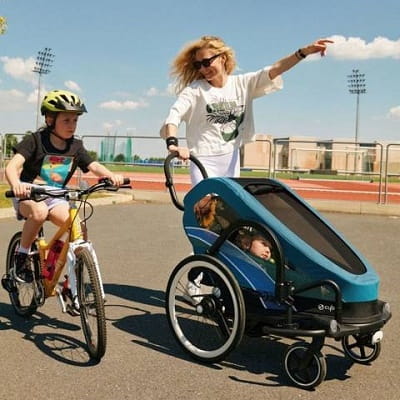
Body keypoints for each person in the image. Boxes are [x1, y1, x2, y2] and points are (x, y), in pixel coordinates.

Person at [160, 35, 333, 186]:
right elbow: (173, 116)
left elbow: (276, 68)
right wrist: (172, 144)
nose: (203, 69)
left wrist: (304, 52)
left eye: (207, 62)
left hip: (231, 158)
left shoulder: (243, 84)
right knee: (205, 207)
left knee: (228, 208)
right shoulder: (195, 90)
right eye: (198, 65)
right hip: (202, 159)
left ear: (222, 58)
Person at [5, 89, 125, 283]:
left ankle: (72, 281)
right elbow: (12, 167)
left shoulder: (75, 146)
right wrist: (16, 184)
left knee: (79, 227)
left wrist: (111, 176)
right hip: (29, 194)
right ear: (50, 119)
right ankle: (22, 256)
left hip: (55, 197)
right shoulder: (35, 140)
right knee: (39, 213)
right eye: (66, 120)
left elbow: (93, 165)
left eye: (75, 120)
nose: (72, 125)